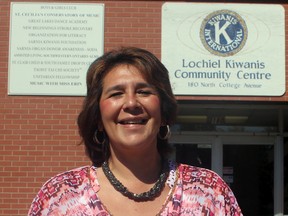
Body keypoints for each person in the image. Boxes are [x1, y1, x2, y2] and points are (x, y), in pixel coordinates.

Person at [28, 47, 243, 216]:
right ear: (98, 118)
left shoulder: (209, 193)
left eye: (143, 91)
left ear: (163, 113)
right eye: (116, 94)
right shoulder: (60, 196)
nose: (131, 103)